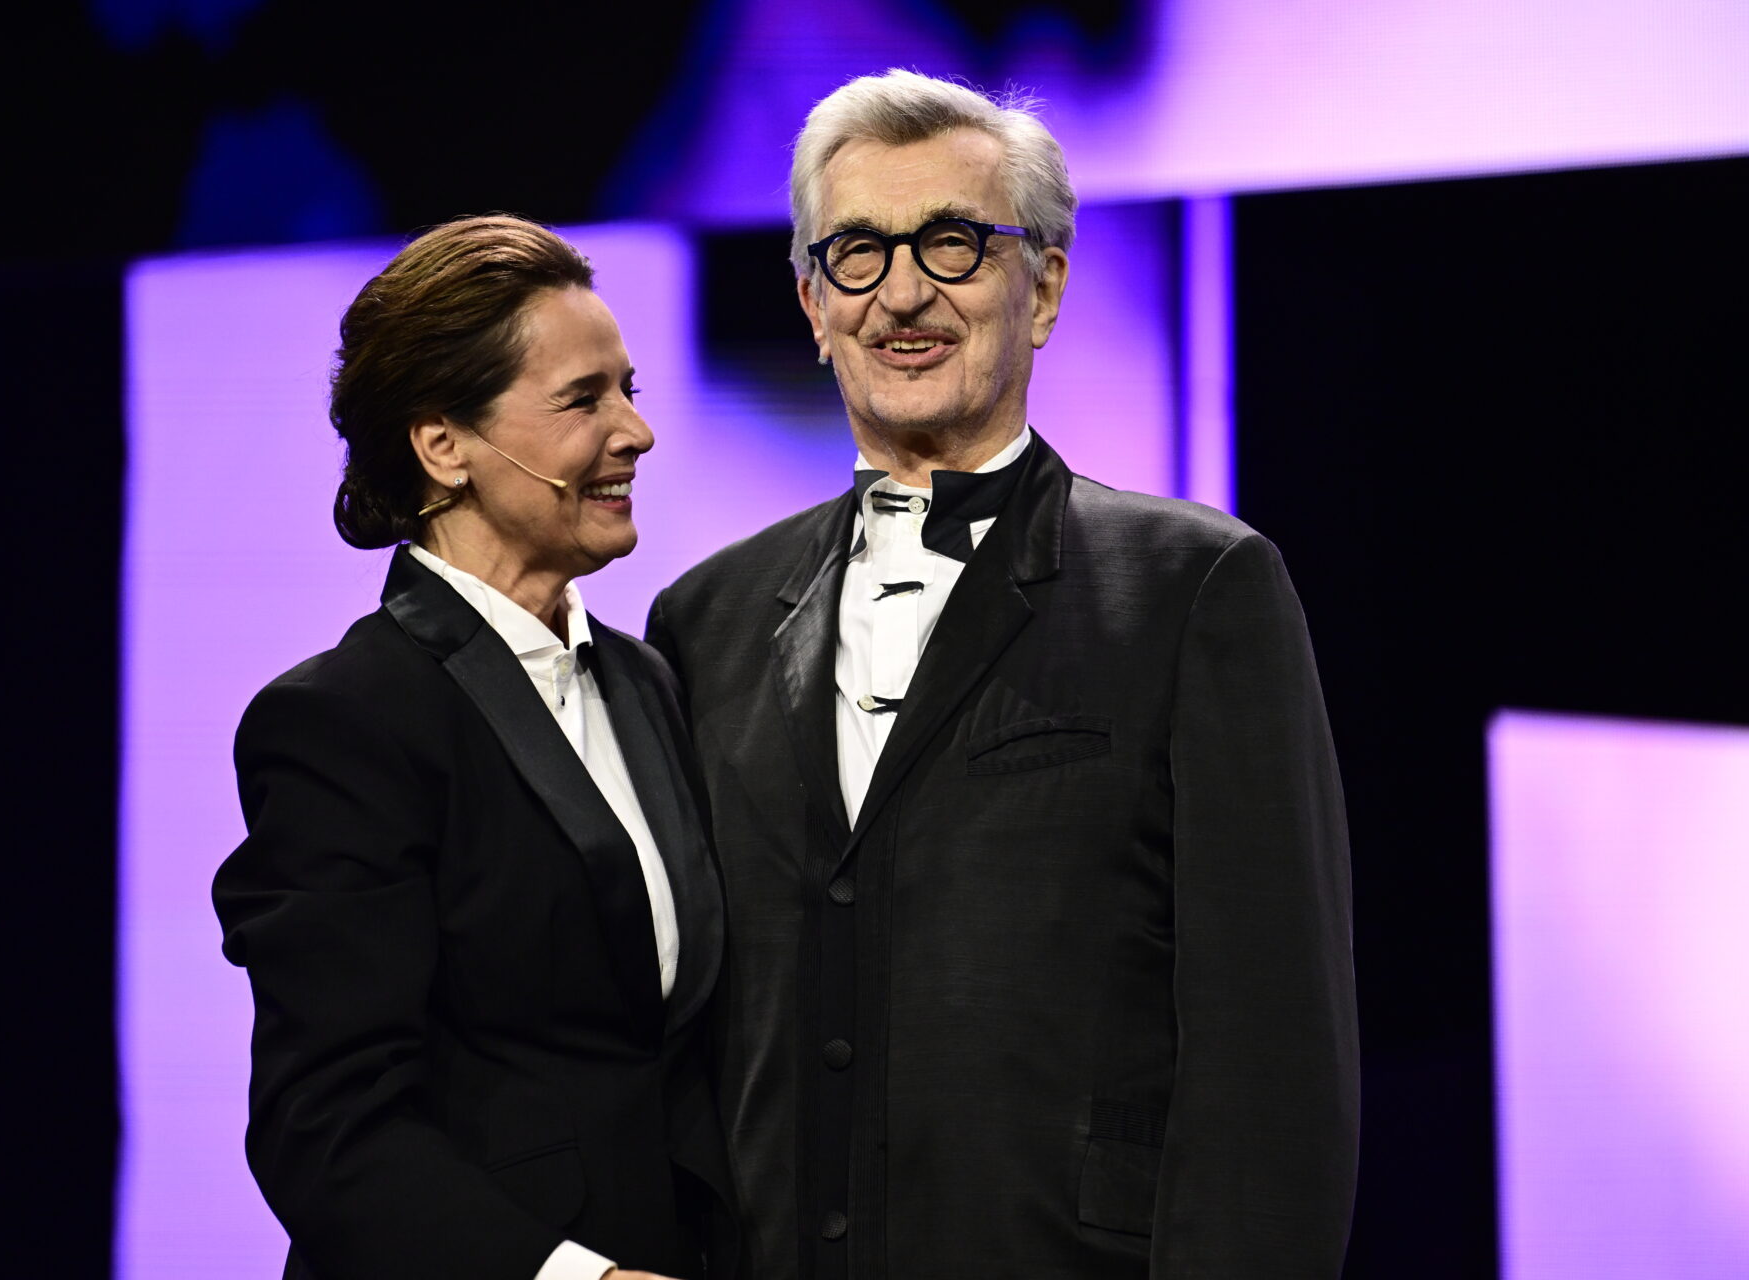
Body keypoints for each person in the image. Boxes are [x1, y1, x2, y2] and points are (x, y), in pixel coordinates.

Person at [646, 71, 1358, 1278]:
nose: (904, 292)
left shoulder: (1194, 588)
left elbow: (1274, 1060)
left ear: (1047, 288)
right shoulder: (701, 620)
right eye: (858, 253)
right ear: (814, 305)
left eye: (955, 243)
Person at [214, 215, 734, 1280]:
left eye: (629, 389)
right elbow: (328, 1125)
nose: (636, 430)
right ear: (443, 443)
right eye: (585, 399)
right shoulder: (344, 722)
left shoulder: (647, 681)